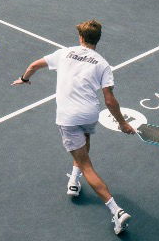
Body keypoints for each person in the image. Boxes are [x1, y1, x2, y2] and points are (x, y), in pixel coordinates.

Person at [11, 19, 134, 235]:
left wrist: (24, 79)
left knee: (87, 164)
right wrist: (122, 123)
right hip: (89, 114)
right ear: (98, 40)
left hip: (68, 117)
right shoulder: (103, 64)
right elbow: (110, 100)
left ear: (81, 38)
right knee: (84, 144)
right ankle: (75, 181)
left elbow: (33, 66)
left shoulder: (65, 53)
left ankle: (116, 210)